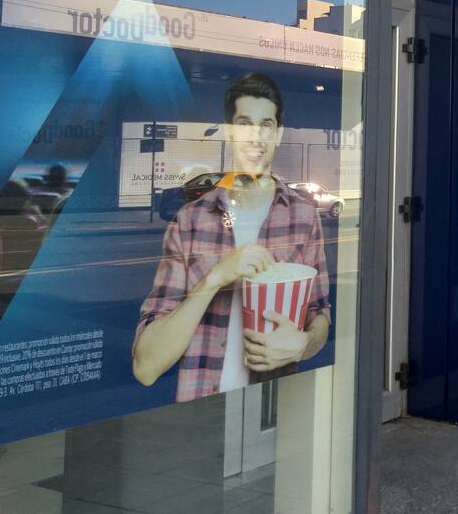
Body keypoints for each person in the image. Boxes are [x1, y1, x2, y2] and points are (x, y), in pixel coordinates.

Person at [132, 73, 330, 401]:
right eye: (245, 124)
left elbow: (319, 314)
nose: (256, 137)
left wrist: (303, 345)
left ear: (278, 134)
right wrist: (215, 278)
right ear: (228, 132)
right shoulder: (190, 221)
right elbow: (146, 367)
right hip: (201, 411)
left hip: (272, 404)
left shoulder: (304, 218)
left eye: (266, 125)